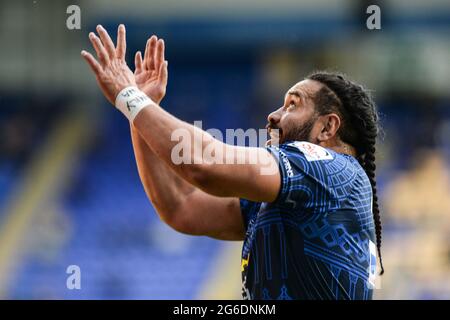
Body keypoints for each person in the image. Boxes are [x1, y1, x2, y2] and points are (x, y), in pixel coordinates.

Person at [81, 24, 383, 300]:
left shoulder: (330, 167)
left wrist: (131, 99)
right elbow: (181, 207)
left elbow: (202, 164)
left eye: (293, 104)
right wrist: (140, 116)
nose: (274, 115)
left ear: (327, 128)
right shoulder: (301, 192)